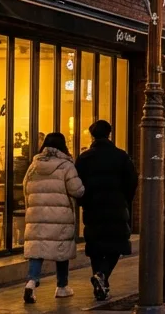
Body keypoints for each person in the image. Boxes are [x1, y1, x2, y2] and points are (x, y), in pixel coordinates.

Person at [74, 120, 137, 302]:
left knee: (95, 246)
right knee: (116, 244)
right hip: (116, 207)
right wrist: (125, 199)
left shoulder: (84, 158)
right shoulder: (121, 156)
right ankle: (102, 275)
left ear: (92, 135)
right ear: (109, 134)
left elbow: (77, 183)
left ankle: (100, 279)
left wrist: (83, 201)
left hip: (92, 208)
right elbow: (132, 181)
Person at [22, 132, 85, 304]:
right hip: (60, 215)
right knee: (61, 250)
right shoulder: (66, 166)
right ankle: (62, 287)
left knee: (36, 251)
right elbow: (77, 190)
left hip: (36, 215)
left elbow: (25, 187)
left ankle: (31, 282)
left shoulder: (34, 165)